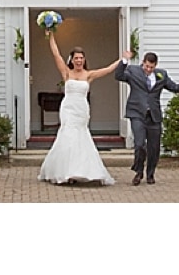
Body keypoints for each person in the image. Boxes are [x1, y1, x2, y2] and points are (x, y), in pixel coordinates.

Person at [37, 29, 123, 186]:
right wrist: (51, 36)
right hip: (68, 108)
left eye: (81, 58)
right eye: (76, 58)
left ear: (84, 60)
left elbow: (109, 69)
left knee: (81, 136)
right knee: (68, 135)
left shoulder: (89, 75)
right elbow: (56, 54)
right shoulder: (66, 73)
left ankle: (82, 170)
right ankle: (67, 171)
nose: (79, 61)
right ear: (72, 59)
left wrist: (122, 59)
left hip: (81, 109)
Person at [114, 50, 179, 186]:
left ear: (155, 65)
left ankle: (150, 174)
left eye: (151, 67)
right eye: (146, 66)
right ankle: (138, 172)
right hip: (137, 113)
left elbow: (174, 87)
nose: (148, 69)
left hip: (154, 116)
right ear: (143, 63)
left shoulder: (161, 74)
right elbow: (119, 76)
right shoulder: (133, 71)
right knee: (140, 144)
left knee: (154, 147)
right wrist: (124, 61)